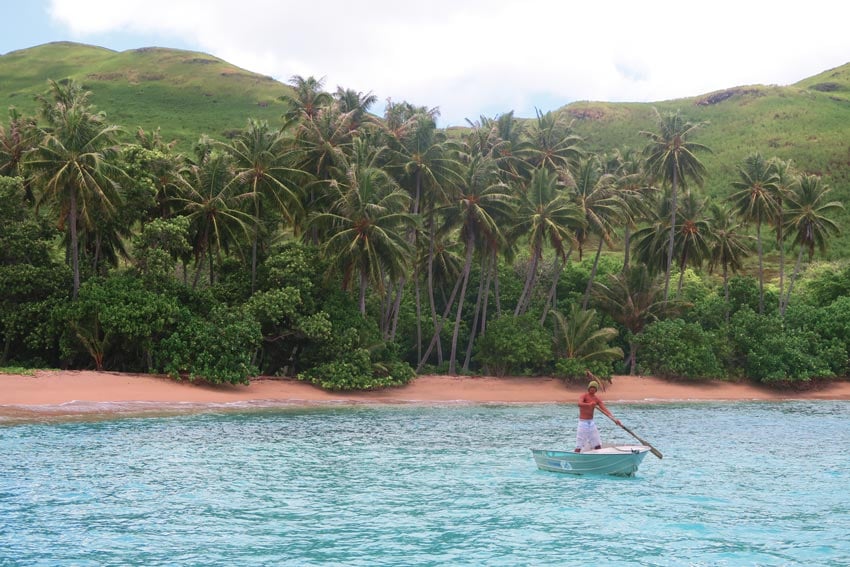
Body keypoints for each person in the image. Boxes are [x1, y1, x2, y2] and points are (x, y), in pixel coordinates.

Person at [575, 371, 621, 452]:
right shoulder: (584, 396)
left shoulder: (596, 399)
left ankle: (599, 456)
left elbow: (605, 409)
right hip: (583, 423)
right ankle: (575, 456)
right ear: (588, 388)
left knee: (597, 443)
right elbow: (579, 404)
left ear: (596, 390)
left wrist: (614, 419)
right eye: (591, 388)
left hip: (591, 423)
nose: (592, 390)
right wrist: (589, 404)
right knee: (580, 443)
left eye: (594, 388)